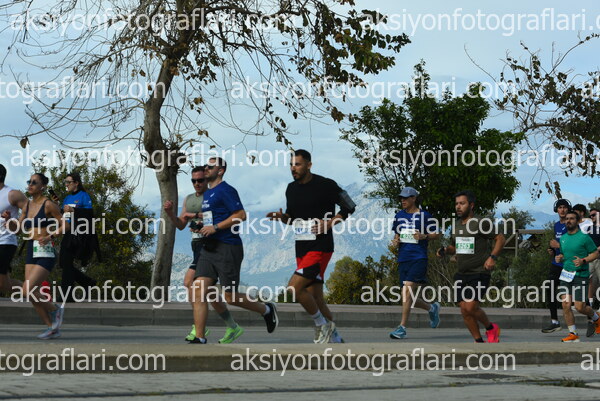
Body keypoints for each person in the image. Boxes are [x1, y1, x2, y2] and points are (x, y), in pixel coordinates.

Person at [268, 149, 355, 344]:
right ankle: (336, 339)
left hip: (320, 246)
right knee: (316, 297)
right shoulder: (291, 188)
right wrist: (282, 217)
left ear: (309, 165)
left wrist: (330, 223)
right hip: (301, 247)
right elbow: (292, 218)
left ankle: (321, 324)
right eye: (291, 165)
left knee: (294, 288)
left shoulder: (326, 185)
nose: (293, 168)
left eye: (297, 164)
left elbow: (349, 206)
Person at [190, 157, 278, 344]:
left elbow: (241, 215)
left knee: (230, 297)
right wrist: (202, 226)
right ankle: (200, 337)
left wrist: (216, 227)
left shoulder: (227, 190)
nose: (206, 168)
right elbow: (213, 218)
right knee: (198, 289)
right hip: (209, 248)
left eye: (210, 166)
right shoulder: (208, 193)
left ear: (220, 170)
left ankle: (267, 310)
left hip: (227, 247)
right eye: (205, 166)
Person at [163, 166, 230, 342]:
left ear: (207, 180)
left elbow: (217, 216)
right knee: (208, 292)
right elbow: (181, 224)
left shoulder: (212, 196)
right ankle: (231, 325)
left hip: (210, 245)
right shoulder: (189, 198)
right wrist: (170, 213)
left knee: (189, 282)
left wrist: (193, 216)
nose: (197, 184)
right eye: (194, 181)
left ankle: (199, 328)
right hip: (196, 245)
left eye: (200, 180)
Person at [437, 190, 505, 343]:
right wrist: (445, 250)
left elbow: (500, 239)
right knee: (464, 310)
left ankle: (490, 328)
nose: (458, 207)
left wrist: (492, 257)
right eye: (456, 204)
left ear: (471, 205)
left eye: (462, 203)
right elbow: (455, 247)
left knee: (470, 307)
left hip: (480, 271)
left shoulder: (481, 223)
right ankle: (479, 341)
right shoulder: (456, 226)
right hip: (462, 273)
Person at [14, 173, 68, 339]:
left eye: (34, 182)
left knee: (27, 289)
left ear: (42, 186)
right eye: (29, 181)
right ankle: (51, 328)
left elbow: (65, 225)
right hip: (31, 248)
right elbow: (17, 229)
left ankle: (55, 309)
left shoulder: (48, 204)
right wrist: (8, 220)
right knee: (30, 293)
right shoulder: (27, 206)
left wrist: (50, 236)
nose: (30, 184)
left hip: (46, 249)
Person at [389, 187, 441, 340]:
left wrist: (424, 236)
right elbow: (397, 235)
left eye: (406, 198)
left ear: (414, 198)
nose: (403, 200)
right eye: (401, 198)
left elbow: (437, 233)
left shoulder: (425, 216)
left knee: (407, 291)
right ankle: (432, 308)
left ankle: (402, 328)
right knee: (407, 296)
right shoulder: (399, 216)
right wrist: (395, 241)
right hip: (403, 258)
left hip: (418, 258)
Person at [555, 210, 600, 342]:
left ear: (577, 221)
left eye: (572, 219)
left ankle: (597, 318)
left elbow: (595, 254)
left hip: (580, 275)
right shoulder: (563, 238)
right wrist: (560, 257)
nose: (568, 221)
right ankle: (573, 334)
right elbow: (565, 255)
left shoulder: (584, 237)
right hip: (566, 275)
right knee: (566, 304)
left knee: (580, 307)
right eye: (567, 219)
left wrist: (583, 260)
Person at [56, 173, 98, 302]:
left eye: (69, 182)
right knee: (64, 263)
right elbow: (63, 215)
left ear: (76, 183)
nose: (66, 184)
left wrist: (74, 210)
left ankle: (67, 294)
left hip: (79, 233)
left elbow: (90, 214)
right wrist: (57, 207)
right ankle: (87, 282)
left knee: (66, 261)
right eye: (65, 182)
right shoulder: (67, 198)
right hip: (68, 231)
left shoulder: (84, 196)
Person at [542, 198, 571, 333]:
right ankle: (554, 321)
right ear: (556, 210)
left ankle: (593, 318)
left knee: (576, 297)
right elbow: (557, 244)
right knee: (550, 288)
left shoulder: (572, 225)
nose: (562, 210)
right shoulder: (556, 225)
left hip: (569, 264)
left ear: (568, 209)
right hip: (556, 264)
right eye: (560, 207)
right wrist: (552, 251)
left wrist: (558, 245)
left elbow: (573, 246)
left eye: (564, 207)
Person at [0, 164, 27, 297]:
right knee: (4, 284)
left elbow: (30, 209)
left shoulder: (12, 194)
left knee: (2, 285)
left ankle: (39, 297)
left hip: (5, 242)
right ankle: (38, 295)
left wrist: (17, 224)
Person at [588, 208, 600, 311]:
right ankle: (590, 303)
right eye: (590, 215)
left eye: (594, 215)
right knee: (588, 280)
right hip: (591, 258)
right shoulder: (589, 228)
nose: (592, 217)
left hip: (599, 258)